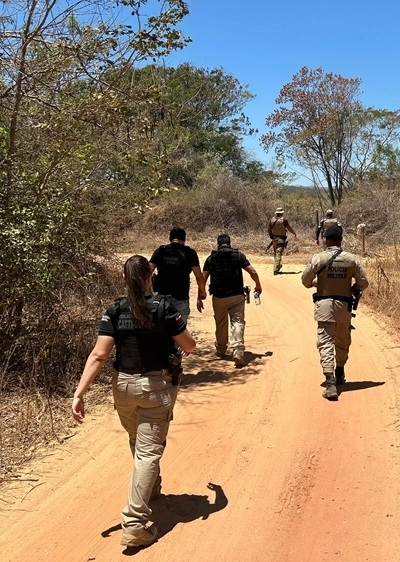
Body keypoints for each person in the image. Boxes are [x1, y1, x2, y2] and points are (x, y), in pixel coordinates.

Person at [72, 255, 195, 549]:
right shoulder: (165, 308)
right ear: (149, 277)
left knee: (136, 440)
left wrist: (79, 393)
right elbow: (188, 346)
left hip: (123, 388)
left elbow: (99, 355)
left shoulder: (114, 310)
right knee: (148, 453)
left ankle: (150, 487)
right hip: (155, 387)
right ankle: (135, 523)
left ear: (125, 279)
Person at [301, 225, 369, 401]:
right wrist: (353, 288)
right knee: (343, 339)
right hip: (344, 305)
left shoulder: (318, 258)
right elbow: (364, 282)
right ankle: (340, 370)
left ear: (326, 240)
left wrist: (315, 284)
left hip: (324, 305)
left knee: (325, 341)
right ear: (341, 240)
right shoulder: (352, 259)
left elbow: (305, 280)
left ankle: (330, 382)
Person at [201, 234, 262, 367]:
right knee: (238, 321)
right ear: (230, 243)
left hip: (218, 296)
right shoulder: (238, 255)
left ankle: (221, 349)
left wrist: (201, 294)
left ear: (218, 244)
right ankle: (238, 351)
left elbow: (203, 278)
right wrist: (258, 285)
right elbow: (252, 272)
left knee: (221, 323)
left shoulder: (211, 258)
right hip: (236, 295)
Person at [150, 227, 206, 322]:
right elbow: (199, 277)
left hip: (162, 298)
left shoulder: (161, 251)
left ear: (170, 238)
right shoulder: (190, 253)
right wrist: (202, 292)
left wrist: (148, 292)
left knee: (162, 329)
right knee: (180, 329)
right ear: (184, 239)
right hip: (181, 298)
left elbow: (148, 271)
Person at [268, 207, 297, 274]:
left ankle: (278, 266)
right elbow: (289, 228)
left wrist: (271, 236)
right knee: (278, 254)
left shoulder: (271, 220)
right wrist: (294, 233)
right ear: (281, 213)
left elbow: (269, 229)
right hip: (281, 239)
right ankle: (275, 269)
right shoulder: (283, 220)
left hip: (274, 239)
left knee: (276, 253)